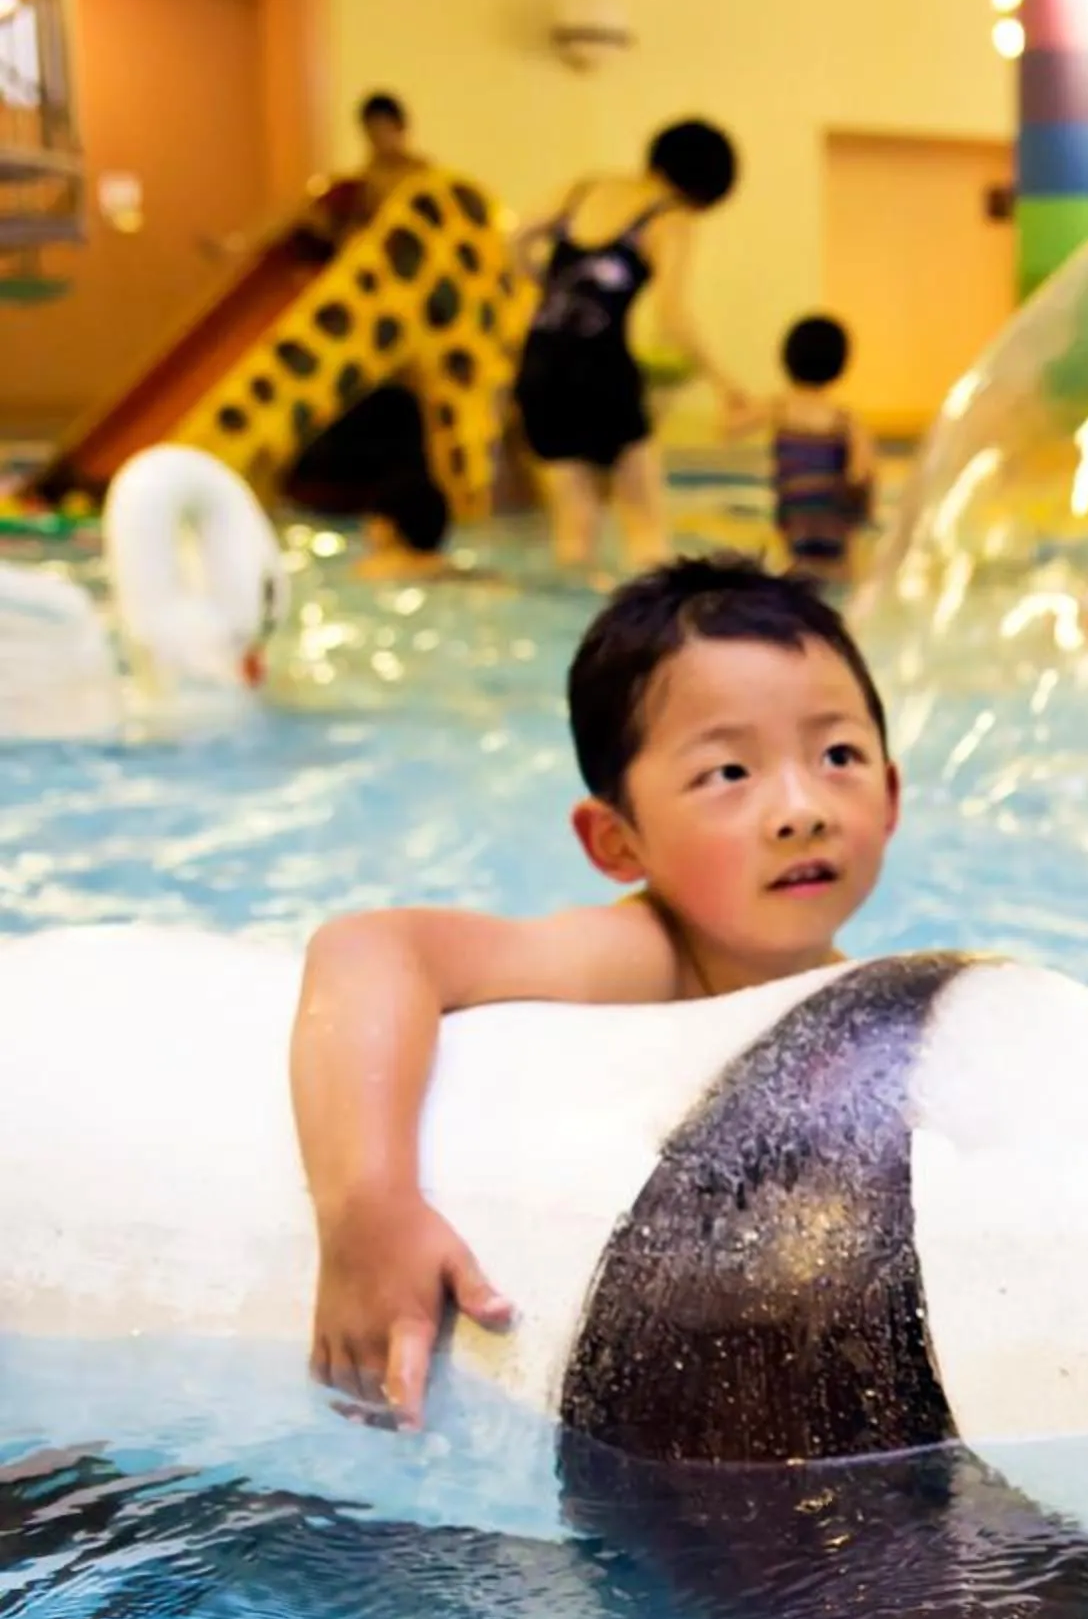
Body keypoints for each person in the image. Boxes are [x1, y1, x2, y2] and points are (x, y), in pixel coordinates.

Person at [293, 558, 900, 1414]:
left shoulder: (881, 1001)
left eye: (838, 755)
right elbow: (370, 949)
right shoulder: (649, 953)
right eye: (730, 773)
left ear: (893, 794)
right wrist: (368, 1211)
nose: (801, 808)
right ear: (617, 843)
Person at [510, 119, 752, 576]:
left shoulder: (582, 190)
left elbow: (516, 238)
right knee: (644, 521)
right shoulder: (667, 217)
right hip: (600, 368)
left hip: (540, 363)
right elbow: (671, 317)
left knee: (575, 525)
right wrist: (725, 383)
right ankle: (650, 635)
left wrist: (543, 284)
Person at [741, 314, 874, 586]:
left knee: (795, 571)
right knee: (844, 572)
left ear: (787, 359)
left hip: (794, 516)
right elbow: (862, 471)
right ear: (841, 364)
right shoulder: (846, 420)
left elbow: (730, 427)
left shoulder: (780, 408)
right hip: (835, 520)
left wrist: (735, 401)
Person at [296, 92, 429, 250]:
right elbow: (356, 224)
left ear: (400, 127)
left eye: (383, 130)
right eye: (372, 133)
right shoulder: (365, 178)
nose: (379, 139)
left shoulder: (422, 175)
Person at [354, 471, 462, 583]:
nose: (365, 527)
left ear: (389, 527)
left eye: (372, 519)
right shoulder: (448, 568)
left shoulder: (373, 571)